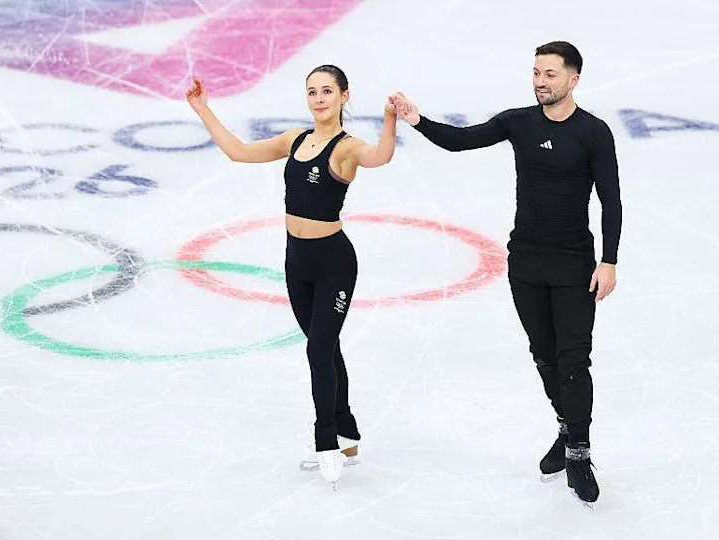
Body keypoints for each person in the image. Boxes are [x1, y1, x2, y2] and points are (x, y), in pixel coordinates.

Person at [390, 41, 622, 504]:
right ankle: (565, 428)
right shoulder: (518, 122)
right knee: (544, 355)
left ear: (574, 80)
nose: (540, 81)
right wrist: (416, 119)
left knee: (574, 361)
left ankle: (579, 451)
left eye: (550, 74)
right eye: (536, 72)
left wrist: (609, 260)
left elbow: (611, 200)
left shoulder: (593, 133)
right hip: (527, 262)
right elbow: (461, 140)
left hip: (575, 264)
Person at [186, 65, 399, 484]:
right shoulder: (294, 140)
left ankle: (326, 443)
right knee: (325, 346)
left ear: (344, 96)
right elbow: (239, 152)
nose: (319, 99)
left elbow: (381, 156)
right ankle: (347, 431)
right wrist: (203, 110)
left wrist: (390, 118)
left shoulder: (347, 147)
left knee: (319, 351)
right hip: (296, 262)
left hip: (334, 262)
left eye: (326, 92)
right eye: (312, 92)